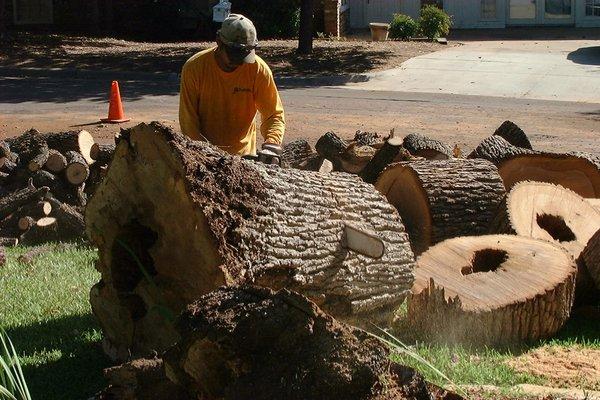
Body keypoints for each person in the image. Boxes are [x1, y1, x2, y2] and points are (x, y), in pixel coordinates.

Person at [179, 13, 285, 163]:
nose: (240, 62)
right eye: (234, 54)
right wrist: (203, 156)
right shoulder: (195, 68)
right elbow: (188, 123)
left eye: (245, 55)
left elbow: (273, 114)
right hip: (205, 156)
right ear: (219, 42)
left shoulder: (258, 69)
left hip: (244, 158)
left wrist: (272, 144)